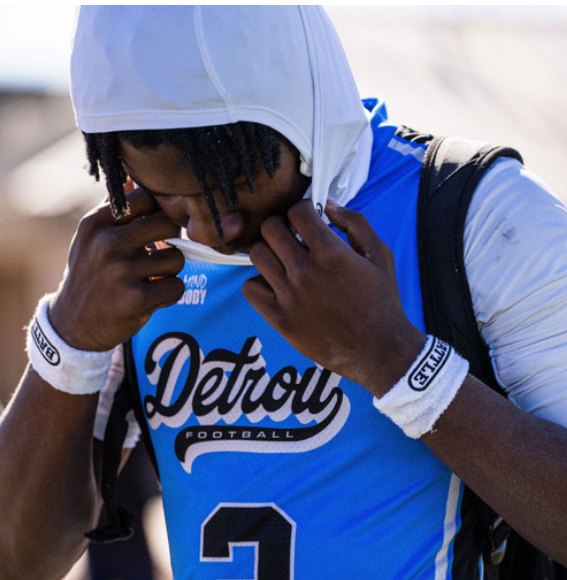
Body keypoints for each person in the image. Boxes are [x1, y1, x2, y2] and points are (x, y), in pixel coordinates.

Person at [1, 6, 566, 579]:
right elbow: (16, 559)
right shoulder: (140, 266)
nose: (207, 230)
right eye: (174, 194)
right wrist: (68, 344)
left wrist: (394, 361)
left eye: (233, 184)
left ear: (305, 115)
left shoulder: (478, 214)